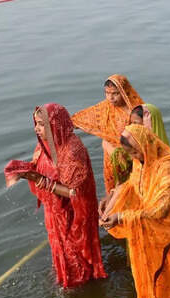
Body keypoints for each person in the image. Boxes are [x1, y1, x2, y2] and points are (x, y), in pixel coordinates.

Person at [100, 125, 170, 298]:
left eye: (135, 152)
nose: (134, 157)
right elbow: (131, 185)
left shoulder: (168, 172)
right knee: (153, 273)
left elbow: (160, 211)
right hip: (148, 230)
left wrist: (121, 217)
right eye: (131, 154)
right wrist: (110, 201)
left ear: (145, 145)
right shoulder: (141, 162)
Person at [6, 104, 106, 288]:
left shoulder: (72, 151)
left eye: (42, 124)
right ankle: (67, 276)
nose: (37, 129)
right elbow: (40, 167)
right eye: (36, 123)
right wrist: (23, 170)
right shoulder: (45, 145)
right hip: (53, 212)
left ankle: (82, 285)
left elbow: (74, 192)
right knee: (61, 251)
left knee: (76, 256)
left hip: (72, 215)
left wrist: (39, 179)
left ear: (56, 125)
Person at [72, 74, 144, 192]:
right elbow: (83, 118)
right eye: (107, 93)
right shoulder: (105, 107)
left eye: (115, 94)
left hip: (130, 156)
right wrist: (59, 123)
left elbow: (143, 137)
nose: (111, 98)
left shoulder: (135, 111)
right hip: (110, 157)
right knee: (112, 191)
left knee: (131, 191)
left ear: (124, 92)